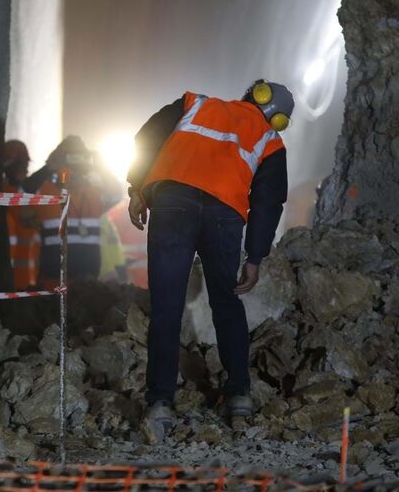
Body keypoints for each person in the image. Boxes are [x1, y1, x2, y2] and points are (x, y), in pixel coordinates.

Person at [126, 80, 293, 443]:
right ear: (278, 119)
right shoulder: (271, 141)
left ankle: (160, 403)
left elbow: (147, 136)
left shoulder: (196, 103)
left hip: (171, 202)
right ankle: (239, 396)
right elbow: (268, 202)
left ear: (253, 93)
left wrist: (137, 187)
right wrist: (256, 256)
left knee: (167, 306)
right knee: (226, 302)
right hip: (224, 215)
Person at [36, 136, 121, 290]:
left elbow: (117, 193)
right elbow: (23, 190)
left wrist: (100, 166)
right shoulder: (45, 192)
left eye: (80, 157)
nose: (75, 167)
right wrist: (49, 167)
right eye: (71, 157)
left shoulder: (94, 193)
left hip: (87, 282)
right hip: (53, 280)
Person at [2, 140, 41, 291]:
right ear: (10, 167)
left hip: (28, 282)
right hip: (15, 284)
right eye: (23, 165)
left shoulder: (22, 195)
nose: (26, 171)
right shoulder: (5, 195)